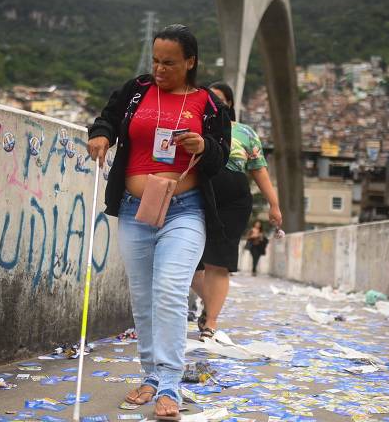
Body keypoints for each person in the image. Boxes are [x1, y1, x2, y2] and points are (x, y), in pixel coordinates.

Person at [87, 24, 230, 420]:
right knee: (144, 297)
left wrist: (204, 145)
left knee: (169, 289)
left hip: (185, 210)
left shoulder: (209, 103)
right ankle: (150, 375)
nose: (160, 69)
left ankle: (170, 381)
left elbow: (223, 154)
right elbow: (109, 119)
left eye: (169, 62)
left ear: (190, 62)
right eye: (155, 60)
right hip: (135, 209)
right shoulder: (137, 90)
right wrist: (100, 135)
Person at [190, 82, 282, 340]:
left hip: (233, 202)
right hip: (195, 196)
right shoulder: (193, 126)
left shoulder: (244, 132)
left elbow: (260, 170)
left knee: (217, 263)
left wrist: (274, 205)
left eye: (221, 100)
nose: (215, 103)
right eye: (210, 98)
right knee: (189, 263)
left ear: (229, 104)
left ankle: (211, 322)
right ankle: (211, 304)